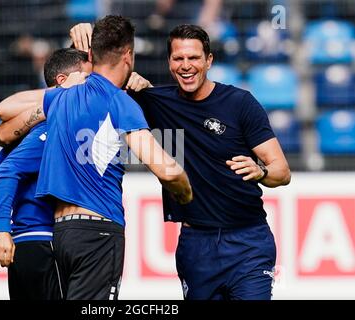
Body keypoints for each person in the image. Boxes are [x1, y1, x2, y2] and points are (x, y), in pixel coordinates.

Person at [69, 22, 291, 300]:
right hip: (196, 245)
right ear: (169, 62)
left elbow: (282, 172)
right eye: (179, 58)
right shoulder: (151, 101)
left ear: (209, 60)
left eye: (194, 58)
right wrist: (85, 32)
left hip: (249, 242)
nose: (186, 65)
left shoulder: (240, 103)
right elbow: (96, 77)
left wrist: (260, 171)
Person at [0, 15, 192, 300]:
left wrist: (63, 87)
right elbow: (168, 170)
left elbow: (5, 109)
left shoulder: (63, 96)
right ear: (128, 55)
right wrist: (185, 194)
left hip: (61, 233)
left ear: (91, 55)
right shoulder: (120, 102)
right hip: (99, 230)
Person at [0, 48, 92, 300]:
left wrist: (11, 141)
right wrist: (0, 228)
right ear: (63, 82)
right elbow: (7, 173)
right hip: (45, 241)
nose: (90, 87)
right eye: (86, 78)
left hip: (22, 247)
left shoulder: (29, 130)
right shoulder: (53, 128)